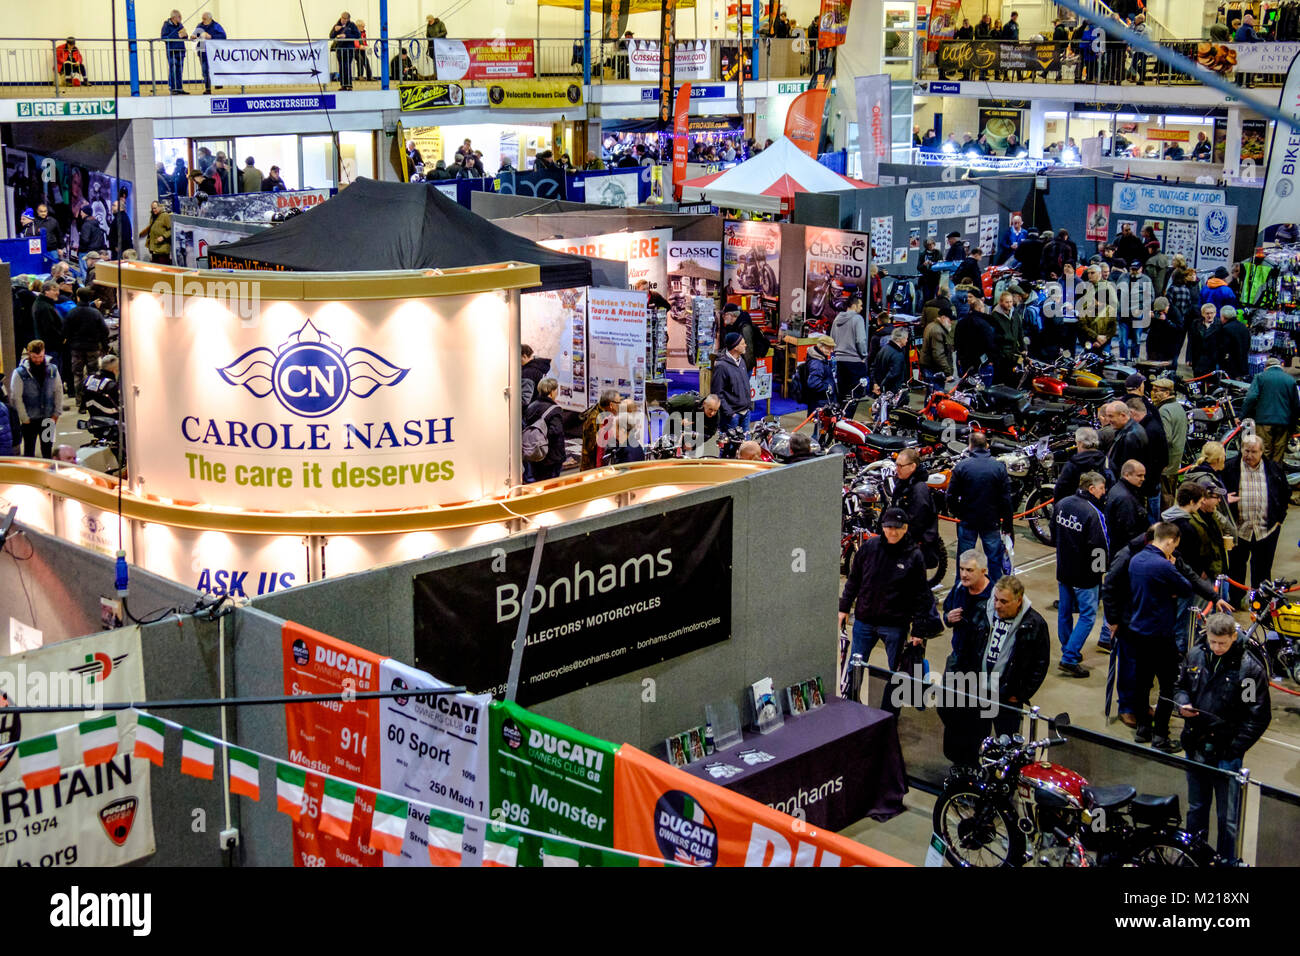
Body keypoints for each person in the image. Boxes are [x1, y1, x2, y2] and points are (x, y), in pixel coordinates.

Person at [1128, 522, 1234, 751]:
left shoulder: (1136, 560)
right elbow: (1186, 588)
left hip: (1138, 631)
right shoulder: (1164, 565)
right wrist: (1173, 569)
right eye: (1175, 546)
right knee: (1169, 685)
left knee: (1142, 682)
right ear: (1170, 541)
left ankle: (1143, 728)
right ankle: (1160, 736)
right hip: (1160, 634)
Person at [1175, 613, 1270, 860]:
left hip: (1226, 755)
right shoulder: (1195, 655)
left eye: (1222, 643)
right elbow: (1181, 686)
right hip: (1196, 746)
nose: (1217, 648)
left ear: (1233, 637)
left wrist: (1234, 748)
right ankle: (1194, 858)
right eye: (1213, 642)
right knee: (1196, 809)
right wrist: (1183, 703)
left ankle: (1226, 861)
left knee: (1228, 819)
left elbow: (1257, 716)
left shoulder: (1249, 671)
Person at [837, 507, 937, 715]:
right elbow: (854, 579)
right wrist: (844, 607)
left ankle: (890, 716)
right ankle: (849, 708)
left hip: (895, 625)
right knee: (854, 668)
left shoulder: (914, 556)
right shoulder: (869, 548)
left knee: (897, 674)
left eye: (897, 528)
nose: (892, 532)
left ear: (905, 528)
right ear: (882, 527)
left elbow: (921, 595)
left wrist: (918, 630)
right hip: (864, 620)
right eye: (889, 527)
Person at [1055, 471, 1110, 677]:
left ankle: (1067, 647)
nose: (1104, 492)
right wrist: (1099, 574)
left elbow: (1053, 532)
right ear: (1092, 488)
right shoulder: (1093, 513)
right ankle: (1069, 657)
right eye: (1102, 488)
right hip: (1084, 575)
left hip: (1064, 569)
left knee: (1065, 612)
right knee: (1087, 616)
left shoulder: (1062, 504)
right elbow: (1100, 547)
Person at [1223, 434, 1289, 605]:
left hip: (1266, 530)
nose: (1249, 455)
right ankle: (1235, 601)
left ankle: (1260, 604)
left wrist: (1279, 520)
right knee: (1236, 568)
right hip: (1238, 530)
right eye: (1246, 451)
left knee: (1262, 570)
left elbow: (1285, 493)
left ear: (1261, 452)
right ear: (1241, 450)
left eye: (1254, 452)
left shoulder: (1273, 469)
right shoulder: (1229, 468)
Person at [949, 432, 1013, 578]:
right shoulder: (998, 467)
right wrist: (1007, 524)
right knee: (994, 560)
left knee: (964, 561)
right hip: (991, 521)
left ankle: (962, 588)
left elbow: (951, 496)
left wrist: (959, 513)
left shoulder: (961, 467)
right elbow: (1006, 499)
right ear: (987, 445)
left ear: (970, 446)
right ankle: (995, 589)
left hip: (968, 519)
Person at [9, 341, 63, 459]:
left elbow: (58, 391)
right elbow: (16, 397)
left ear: (44, 353)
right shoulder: (19, 373)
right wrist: (24, 418)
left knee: (47, 451)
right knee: (29, 451)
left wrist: (56, 414)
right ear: (29, 354)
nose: (38, 360)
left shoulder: (53, 370)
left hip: (49, 418)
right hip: (29, 420)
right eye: (34, 357)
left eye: (41, 357)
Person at [894, 448, 942, 573]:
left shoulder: (919, 490)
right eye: (896, 465)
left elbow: (916, 522)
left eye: (900, 466)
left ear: (912, 466)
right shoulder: (902, 483)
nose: (897, 469)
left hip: (914, 548)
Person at [1243, 357, 1299, 462]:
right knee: (1278, 454)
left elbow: (1251, 398)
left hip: (1263, 422)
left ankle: (1265, 471)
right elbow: (1295, 405)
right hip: (1283, 422)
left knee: (1264, 451)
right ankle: (1275, 471)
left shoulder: (1260, 377)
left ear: (1266, 368)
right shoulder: (1290, 380)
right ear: (1280, 366)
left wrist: (1243, 415)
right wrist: (1293, 425)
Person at [64, 288, 108, 413]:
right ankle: (92, 399)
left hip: (76, 348)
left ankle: (80, 402)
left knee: (77, 375)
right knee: (93, 374)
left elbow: (65, 331)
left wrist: (71, 341)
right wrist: (102, 344)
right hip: (92, 347)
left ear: (78, 297)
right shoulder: (95, 313)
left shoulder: (72, 313)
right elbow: (105, 330)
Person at [830, 296, 869, 419]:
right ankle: (846, 422)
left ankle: (839, 420)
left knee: (842, 396)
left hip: (839, 361)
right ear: (854, 305)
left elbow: (832, 338)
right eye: (860, 305)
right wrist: (864, 355)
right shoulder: (858, 319)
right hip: (855, 362)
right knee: (854, 397)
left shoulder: (837, 318)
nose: (861, 308)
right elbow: (861, 340)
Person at [523, 378, 566, 481]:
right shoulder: (555, 410)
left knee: (539, 482)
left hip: (535, 452)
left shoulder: (531, 406)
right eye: (556, 390)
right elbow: (556, 431)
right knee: (551, 484)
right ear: (551, 392)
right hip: (551, 457)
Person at [1105, 458, 1150, 556]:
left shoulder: (1119, 488)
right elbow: (1130, 531)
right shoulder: (1125, 499)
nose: (1143, 479)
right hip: (1127, 550)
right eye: (1139, 475)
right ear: (1127, 475)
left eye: (1143, 475)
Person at [713, 332, 753, 432]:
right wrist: (730, 413)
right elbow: (717, 393)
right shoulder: (721, 366)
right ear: (735, 347)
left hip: (745, 413)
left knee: (746, 442)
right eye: (743, 343)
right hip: (732, 416)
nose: (745, 345)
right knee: (730, 442)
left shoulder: (741, 361)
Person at [581, 388, 621, 470]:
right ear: (611, 405)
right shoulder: (594, 419)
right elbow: (591, 448)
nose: (620, 405)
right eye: (618, 403)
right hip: (592, 467)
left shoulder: (605, 414)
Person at [801, 335, 837, 424]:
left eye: (832, 348)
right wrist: (828, 387)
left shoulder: (820, 359)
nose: (831, 351)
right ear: (821, 347)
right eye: (829, 348)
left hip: (821, 401)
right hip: (821, 402)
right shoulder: (817, 363)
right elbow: (813, 383)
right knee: (821, 428)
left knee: (822, 427)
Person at [918, 309, 954, 389]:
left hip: (928, 365)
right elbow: (938, 354)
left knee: (931, 393)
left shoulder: (931, 325)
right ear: (943, 317)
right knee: (937, 393)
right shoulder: (937, 331)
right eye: (950, 319)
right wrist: (947, 372)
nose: (951, 322)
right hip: (933, 368)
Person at [1215, 305, 1250, 380]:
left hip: (1230, 367)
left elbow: (1223, 349)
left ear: (1223, 317)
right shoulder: (1243, 327)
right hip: (1243, 364)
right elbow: (1248, 345)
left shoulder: (1225, 329)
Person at [194, 12, 226, 94]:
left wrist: (211, 36)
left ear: (210, 19)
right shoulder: (199, 26)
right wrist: (193, 37)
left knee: (215, 68)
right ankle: (208, 88)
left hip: (213, 52)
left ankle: (218, 83)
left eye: (204, 19)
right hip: (202, 51)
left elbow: (223, 36)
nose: (203, 20)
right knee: (205, 71)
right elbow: (194, 36)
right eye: (202, 18)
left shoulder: (216, 26)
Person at [1144, 297, 1182, 364]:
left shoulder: (1175, 312)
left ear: (1168, 306)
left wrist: (1166, 321)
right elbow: (1144, 328)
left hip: (1169, 346)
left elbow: (1179, 329)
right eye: (1159, 311)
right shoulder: (1152, 309)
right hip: (1154, 345)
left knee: (1169, 367)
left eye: (1163, 311)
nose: (1161, 313)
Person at [871, 327, 909, 396]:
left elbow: (873, 368)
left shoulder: (883, 349)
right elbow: (893, 374)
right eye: (906, 338)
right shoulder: (897, 354)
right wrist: (881, 387)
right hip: (893, 393)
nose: (907, 340)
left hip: (882, 391)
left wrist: (875, 383)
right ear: (901, 339)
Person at [330, 12, 361, 91]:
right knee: (341, 67)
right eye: (342, 18)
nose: (343, 20)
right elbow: (331, 36)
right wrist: (335, 31)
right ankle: (343, 85)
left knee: (347, 66)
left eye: (345, 19)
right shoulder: (337, 25)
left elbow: (357, 35)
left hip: (349, 49)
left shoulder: (352, 25)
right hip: (339, 49)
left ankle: (349, 84)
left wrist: (346, 36)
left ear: (348, 19)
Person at [82, 354, 119, 420]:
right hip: (110, 420)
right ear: (114, 370)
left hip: (93, 418)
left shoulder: (89, 379)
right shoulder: (111, 385)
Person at [162, 10, 189, 94]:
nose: (181, 18)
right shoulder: (166, 25)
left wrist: (185, 35)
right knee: (173, 70)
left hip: (180, 51)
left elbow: (185, 36)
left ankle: (179, 88)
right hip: (172, 52)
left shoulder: (180, 25)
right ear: (174, 17)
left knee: (179, 70)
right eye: (179, 16)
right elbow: (164, 37)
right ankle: (173, 88)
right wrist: (178, 35)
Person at [519, 343, 550, 409]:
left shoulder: (528, 373)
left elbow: (525, 400)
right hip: (539, 407)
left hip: (528, 411)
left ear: (524, 356)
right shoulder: (540, 366)